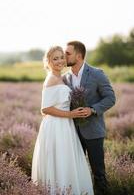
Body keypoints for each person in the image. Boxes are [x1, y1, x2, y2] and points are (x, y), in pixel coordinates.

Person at [31, 46, 94, 195]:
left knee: (66, 160)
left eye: (61, 57)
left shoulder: (62, 77)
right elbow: (45, 109)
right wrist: (70, 114)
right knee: (59, 160)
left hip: (65, 125)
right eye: (55, 58)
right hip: (56, 126)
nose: (59, 61)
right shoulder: (51, 79)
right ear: (48, 62)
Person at [63, 41, 116, 195]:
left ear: (78, 56)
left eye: (68, 53)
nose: (64, 56)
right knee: (76, 171)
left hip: (93, 131)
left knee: (98, 173)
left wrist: (92, 110)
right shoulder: (65, 78)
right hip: (72, 131)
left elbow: (110, 98)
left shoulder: (96, 74)